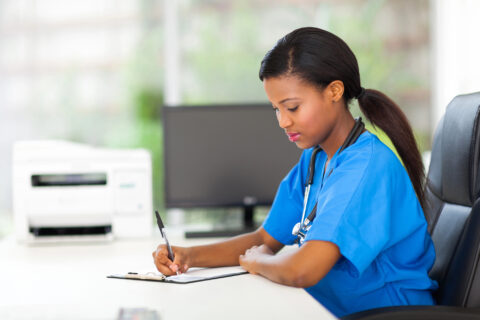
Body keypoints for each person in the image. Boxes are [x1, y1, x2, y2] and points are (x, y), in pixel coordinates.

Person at [152, 27, 437, 317]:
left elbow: (303, 270)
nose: (283, 122)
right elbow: (265, 239)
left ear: (334, 91)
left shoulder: (366, 167)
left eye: (292, 107)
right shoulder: (314, 159)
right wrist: (188, 255)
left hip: (382, 312)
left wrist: (259, 263)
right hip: (326, 307)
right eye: (276, 109)